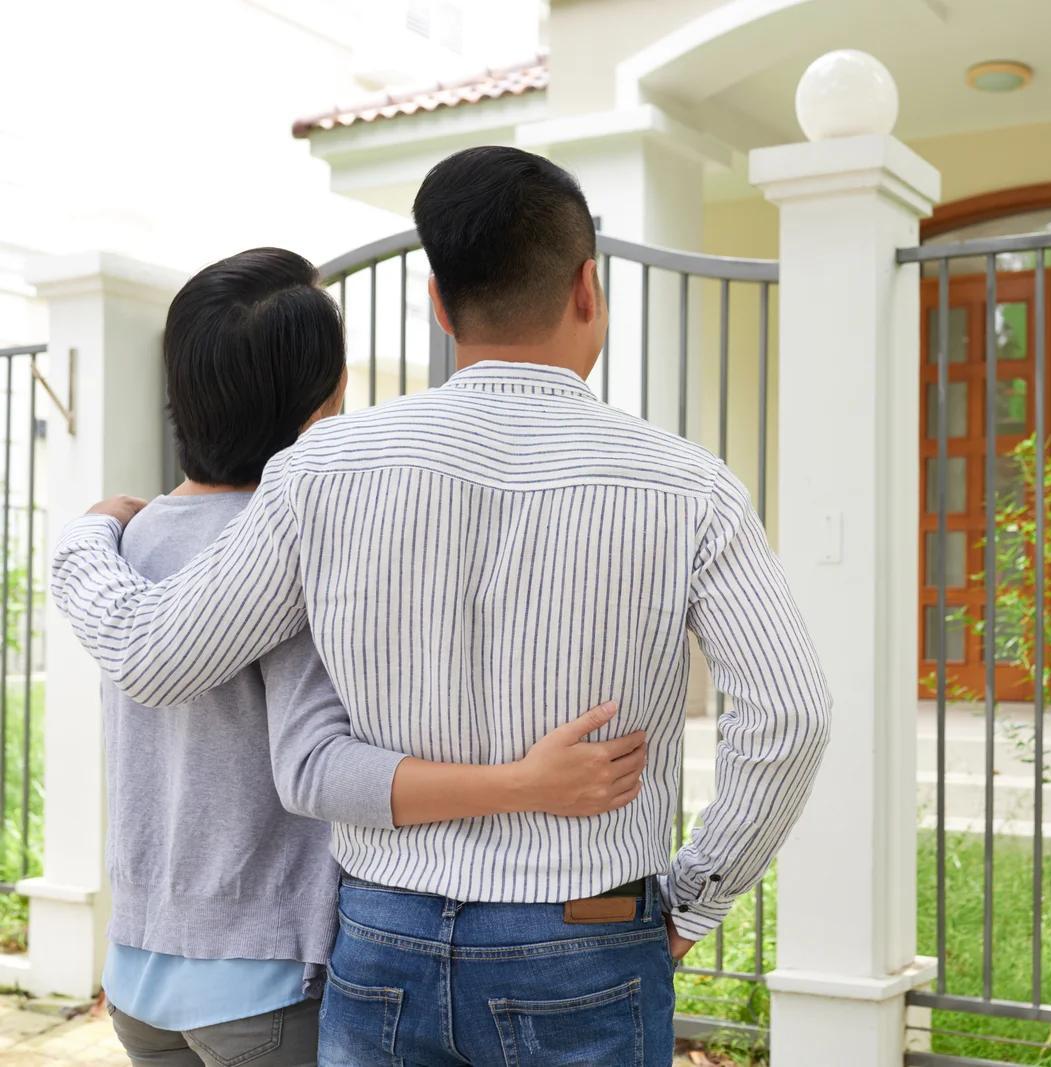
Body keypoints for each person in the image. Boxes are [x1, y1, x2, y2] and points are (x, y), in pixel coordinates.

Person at [52, 148, 832, 1067]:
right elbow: (791, 713)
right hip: (589, 923)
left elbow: (152, 656)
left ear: (435, 298)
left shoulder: (319, 475)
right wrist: (692, 901)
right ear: (589, 287)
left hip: (383, 936)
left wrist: (83, 539)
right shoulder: (688, 485)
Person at [95, 247, 646, 1066]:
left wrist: (85, 528)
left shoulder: (126, 541)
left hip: (139, 975)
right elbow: (321, 767)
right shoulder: (292, 545)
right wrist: (523, 783)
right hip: (265, 982)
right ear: (321, 401)